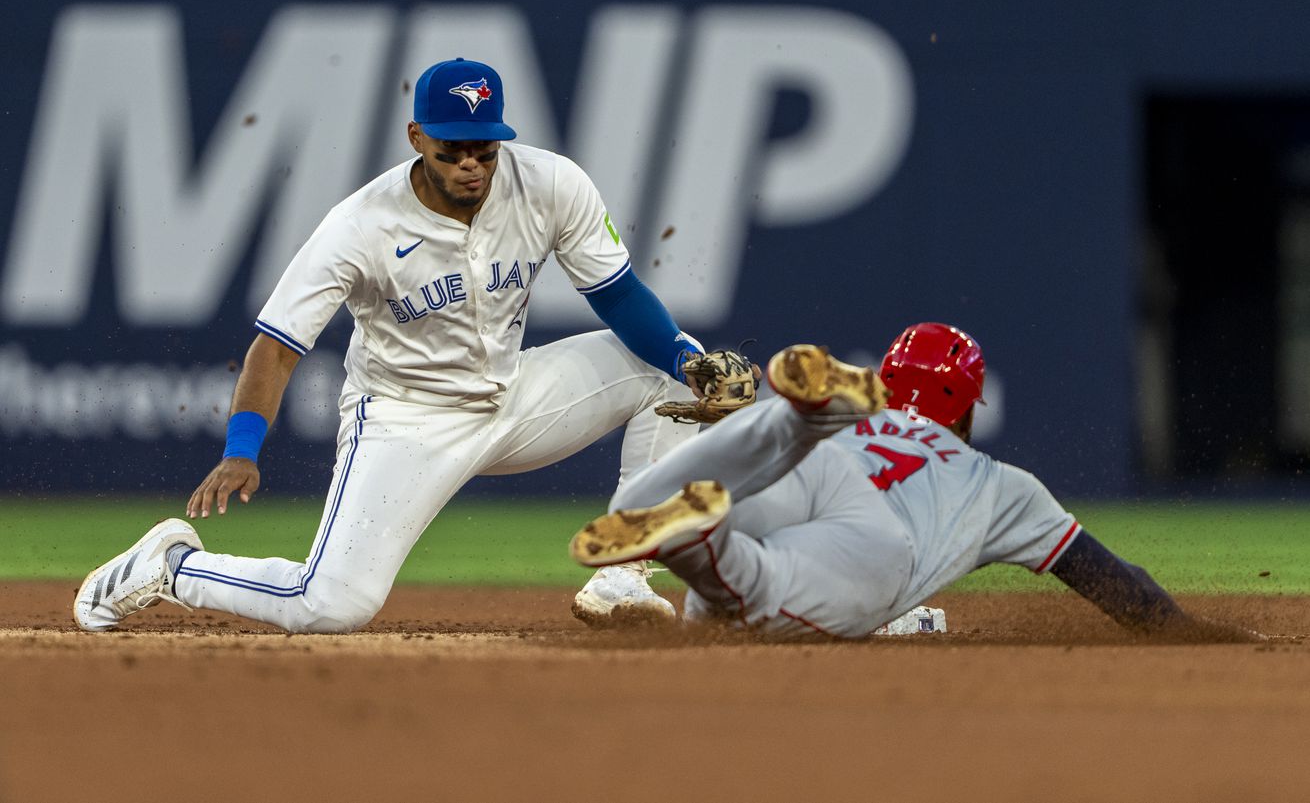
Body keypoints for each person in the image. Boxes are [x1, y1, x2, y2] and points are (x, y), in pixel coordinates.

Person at [74, 57, 720, 633]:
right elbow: (277, 346)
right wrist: (241, 448)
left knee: (675, 367)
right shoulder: (361, 225)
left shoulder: (549, 185)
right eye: (452, 149)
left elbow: (618, 296)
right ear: (417, 138)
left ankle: (624, 575)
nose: (472, 164)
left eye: (485, 150)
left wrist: (692, 364)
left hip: (513, 396)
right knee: (329, 603)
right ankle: (172, 565)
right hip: (405, 418)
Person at [570, 324, 1259, 642]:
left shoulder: (861, 428)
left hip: (811, 463)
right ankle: (704, 537)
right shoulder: (999, 482)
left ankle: (773, 432)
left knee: (707, 591)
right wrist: (1189, 632)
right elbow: (1115, 581)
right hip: (874, 541)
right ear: (964, 406)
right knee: (760, 585)